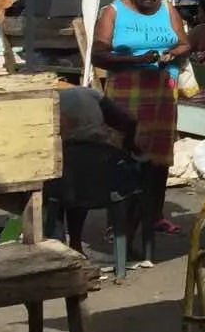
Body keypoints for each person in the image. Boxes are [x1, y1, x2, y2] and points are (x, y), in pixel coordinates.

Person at [92, 0, 189, 267]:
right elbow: (98, 54)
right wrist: (136, 60)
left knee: (157, 162)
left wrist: (172, 52)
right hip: (126, 95)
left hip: (161, 95)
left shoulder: (167, 8)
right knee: (125, 159)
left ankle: (151, 217)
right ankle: (118, 225)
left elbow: (184, 43)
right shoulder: (113, 12)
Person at [50, 84, 140, 255]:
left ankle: (70, 244)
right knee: (136, 186)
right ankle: (124, 246)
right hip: (99, 175)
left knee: (61, 194)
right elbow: (129, 122)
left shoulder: (50, 101)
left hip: (63, 177)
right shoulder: (91, 94)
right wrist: (129, 147)